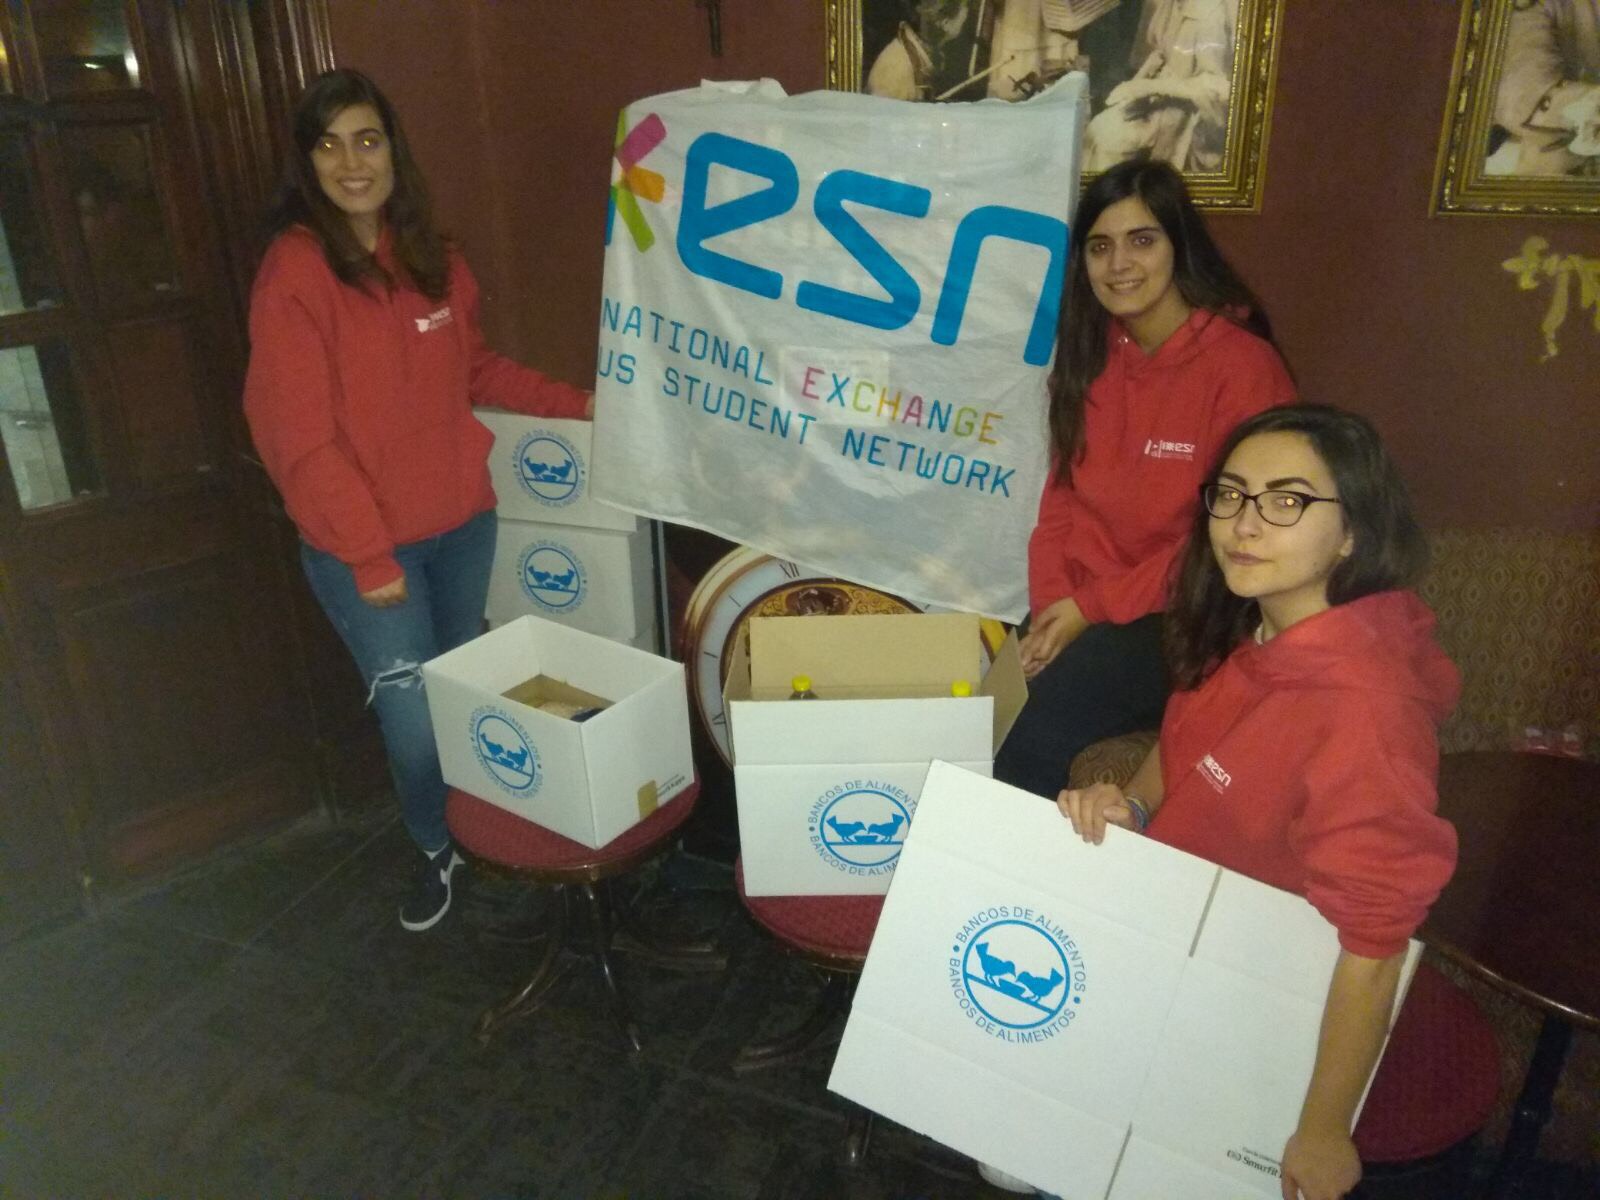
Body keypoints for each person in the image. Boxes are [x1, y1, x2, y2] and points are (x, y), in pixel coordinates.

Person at [1060, 404, 1460, 1200]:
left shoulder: (1366, 710)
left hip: (1251, 1004)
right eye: (1232, 495)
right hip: (1172, 939)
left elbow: (1375, 945)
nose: (1245, 524)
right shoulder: (1260, 626)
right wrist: (1132, 808)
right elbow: (1184, 748)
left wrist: (1322, 1130)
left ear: (1352, 533)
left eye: (1287, 501)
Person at [243, 69, 592, 932]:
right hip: (370, 553)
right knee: (415, 726)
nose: (351, 162)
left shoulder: (436, 257)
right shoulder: (295, 272)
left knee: (463, 701)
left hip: (463, 526)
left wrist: (582, 407)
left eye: (367, 139)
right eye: (329, 145)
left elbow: (475, 370)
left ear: (393, 148)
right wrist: (369, 555)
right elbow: (297, 437)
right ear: (307, 163)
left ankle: (477, 834)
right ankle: (437, 847)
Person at [992, 155, 1293, 801]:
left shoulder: (1243, 368)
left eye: (1142, 240)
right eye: (1100, 247)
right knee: (984, 704)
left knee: (1030, 734)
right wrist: (1052, 610)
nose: (1119, 263)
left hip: (1190, 613)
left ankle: (1011, 868)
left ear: (1179, 246)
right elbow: (1061, 507)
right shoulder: (1089, 354)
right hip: (1091, 605)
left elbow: (1231, 541)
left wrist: (1090, 610)